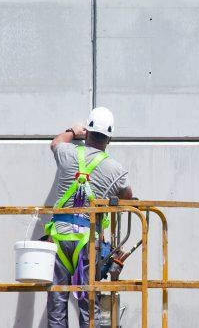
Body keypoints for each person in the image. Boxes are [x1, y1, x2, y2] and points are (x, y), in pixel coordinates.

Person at [46, 106, 133, 328]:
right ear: (109, 139)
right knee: (88, 304)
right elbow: (128, 198)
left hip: (59, 239)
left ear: (88, 132)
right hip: (88, 242)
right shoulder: (115, 170)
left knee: (57, 300)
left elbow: (55, 143)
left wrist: (73, 131)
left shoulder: (67, 153)